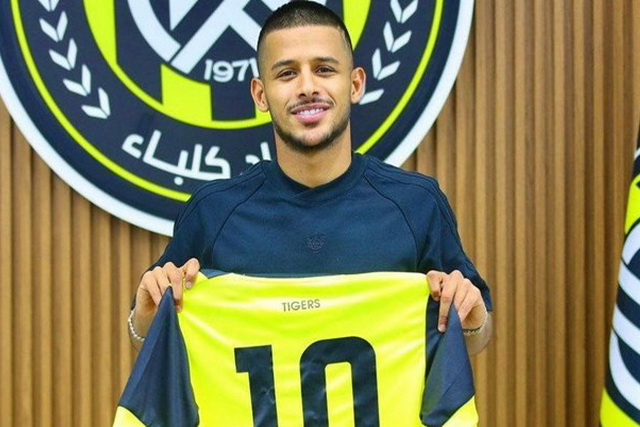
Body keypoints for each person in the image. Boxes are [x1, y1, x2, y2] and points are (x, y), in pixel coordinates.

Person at [129, 1, 492, 355]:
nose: (307, 87)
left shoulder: (416, 204)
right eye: (287, 73)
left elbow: (475, 337)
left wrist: (471, 317)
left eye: (324, 69)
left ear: (355, 84)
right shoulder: (213, 212)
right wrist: (146, 317)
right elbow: (146, 337)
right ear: (260, 94)